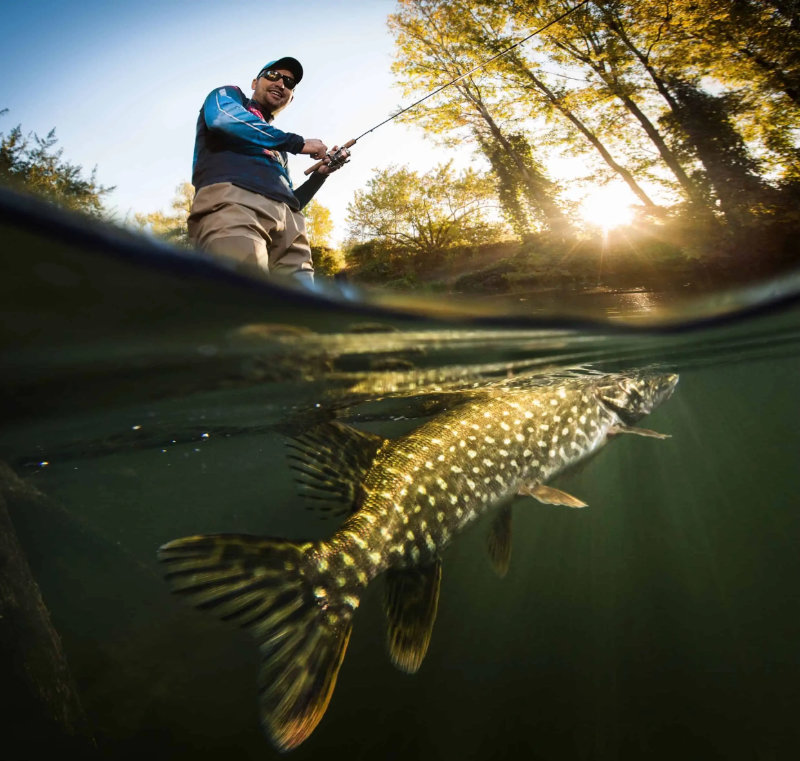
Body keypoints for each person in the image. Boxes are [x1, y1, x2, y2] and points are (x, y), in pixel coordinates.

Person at [187, 56, 348, 284]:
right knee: (243, 296)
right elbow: (222, 118)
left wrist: (320, 176)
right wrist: (297, 143)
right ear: (255, 83)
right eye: (273, 75)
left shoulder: (279, 149)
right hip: (235, 204)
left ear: (290, 99)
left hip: (291, 228)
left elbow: (293, 201)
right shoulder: (230, 96)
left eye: (289, 83)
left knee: (301, 311)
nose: (281, 84)